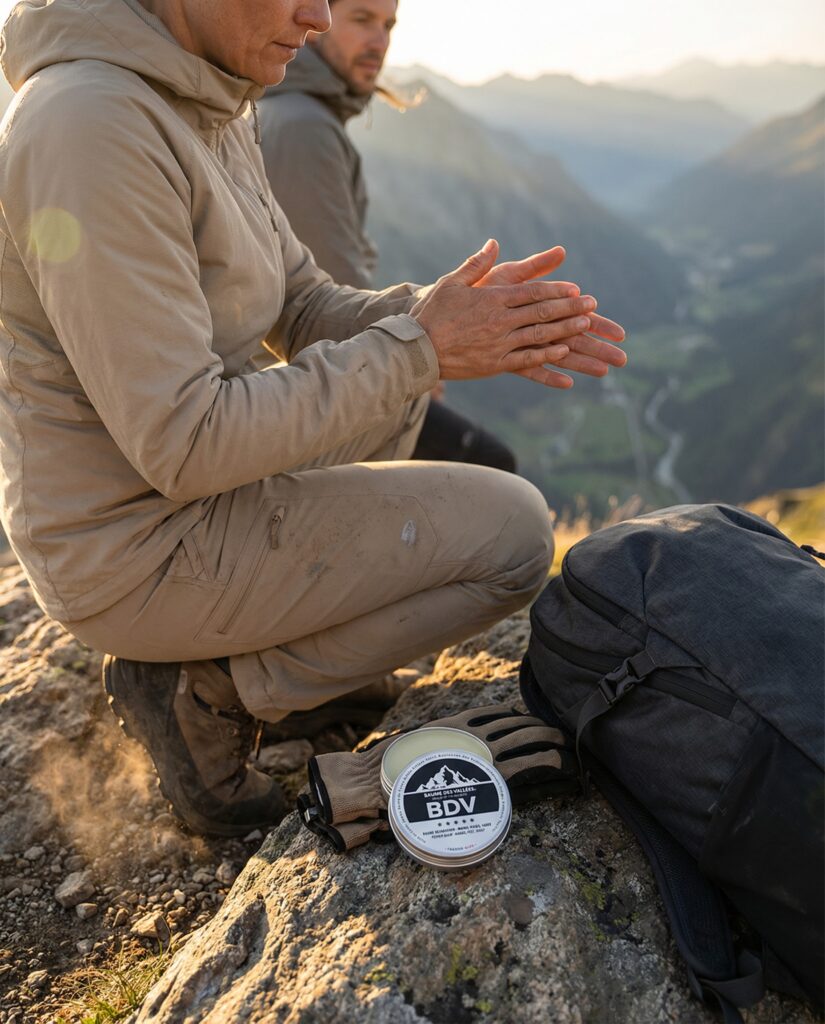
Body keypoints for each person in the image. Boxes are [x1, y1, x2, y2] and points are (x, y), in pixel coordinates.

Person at [0, 0, 627, 837]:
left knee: (405, 412)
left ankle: (288, 659)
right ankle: (212, 686)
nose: (317, 17)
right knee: (513, 536)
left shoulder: (205, 93)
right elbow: (184, 442)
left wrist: (434, 317)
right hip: (136, 547)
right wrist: (417, 350)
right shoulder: (91, 128)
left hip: (186, 493)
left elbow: (296, 300)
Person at [257, 0, 519, 473]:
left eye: (388, 25)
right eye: (361, 20)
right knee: (490, 465)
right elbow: (328, 307)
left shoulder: (293, 111)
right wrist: (420, 356)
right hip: (291, 395)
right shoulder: (305, 129)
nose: (379, 42)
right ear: (315, 18)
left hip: (289, 387)